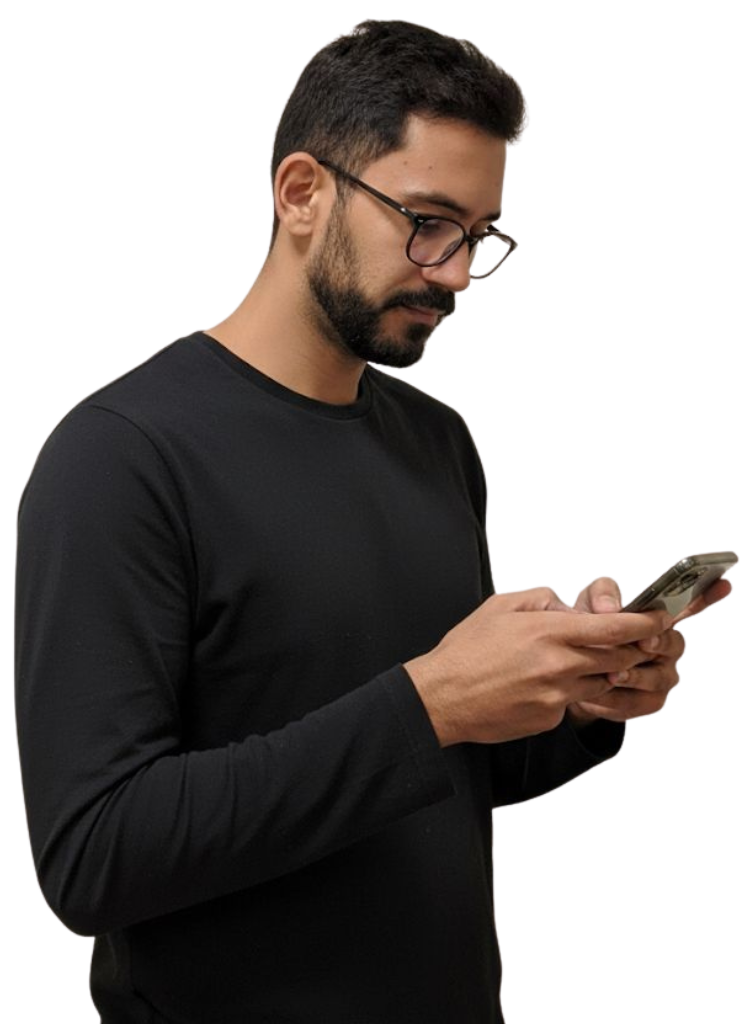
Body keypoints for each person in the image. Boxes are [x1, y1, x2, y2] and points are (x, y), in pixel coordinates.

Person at [13, 18, 733, 1024]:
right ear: (301, 192)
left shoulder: (437, 440)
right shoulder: (121, 456)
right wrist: (429, 700)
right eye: (427, 222)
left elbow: (438, 771)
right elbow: (94, 857)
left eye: (479, 238)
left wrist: (575, 698)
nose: (454, 274)